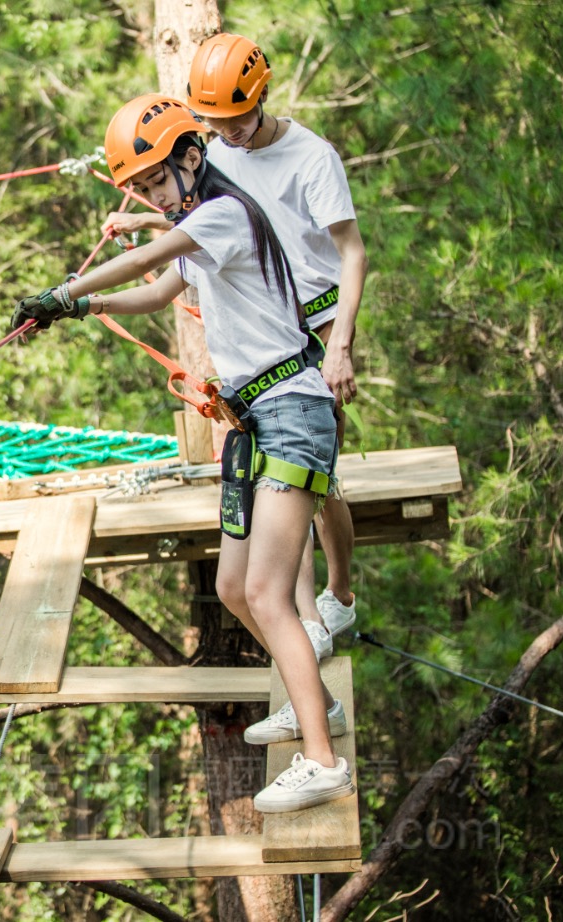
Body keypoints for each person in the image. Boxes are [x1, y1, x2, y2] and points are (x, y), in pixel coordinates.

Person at [12, 94, 353, 812]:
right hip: (255, 418)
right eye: (138, 191)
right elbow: (157, 288)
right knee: (235, 588)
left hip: (293, 410)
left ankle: (323, 762)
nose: (150, 199)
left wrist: (61, 291)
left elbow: (151, 253)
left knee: (266, 591)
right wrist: (75, 310)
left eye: (156, 183)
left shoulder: (222, 215)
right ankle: (317, 702)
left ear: (193, 158)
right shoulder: (199, 228)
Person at [102, 32, 366, 665]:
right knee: (290, 479)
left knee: (318, 474)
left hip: (316, 320)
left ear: (263, 96)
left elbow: (352, 252)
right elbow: (208, 220)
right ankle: (306, 622)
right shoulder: (215, 151)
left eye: (238, 119)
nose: (230, 134)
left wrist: (343, 347)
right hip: (262, 316)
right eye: (215, 123)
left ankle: (339, 593)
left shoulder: (312, 157)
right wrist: (143, 221)